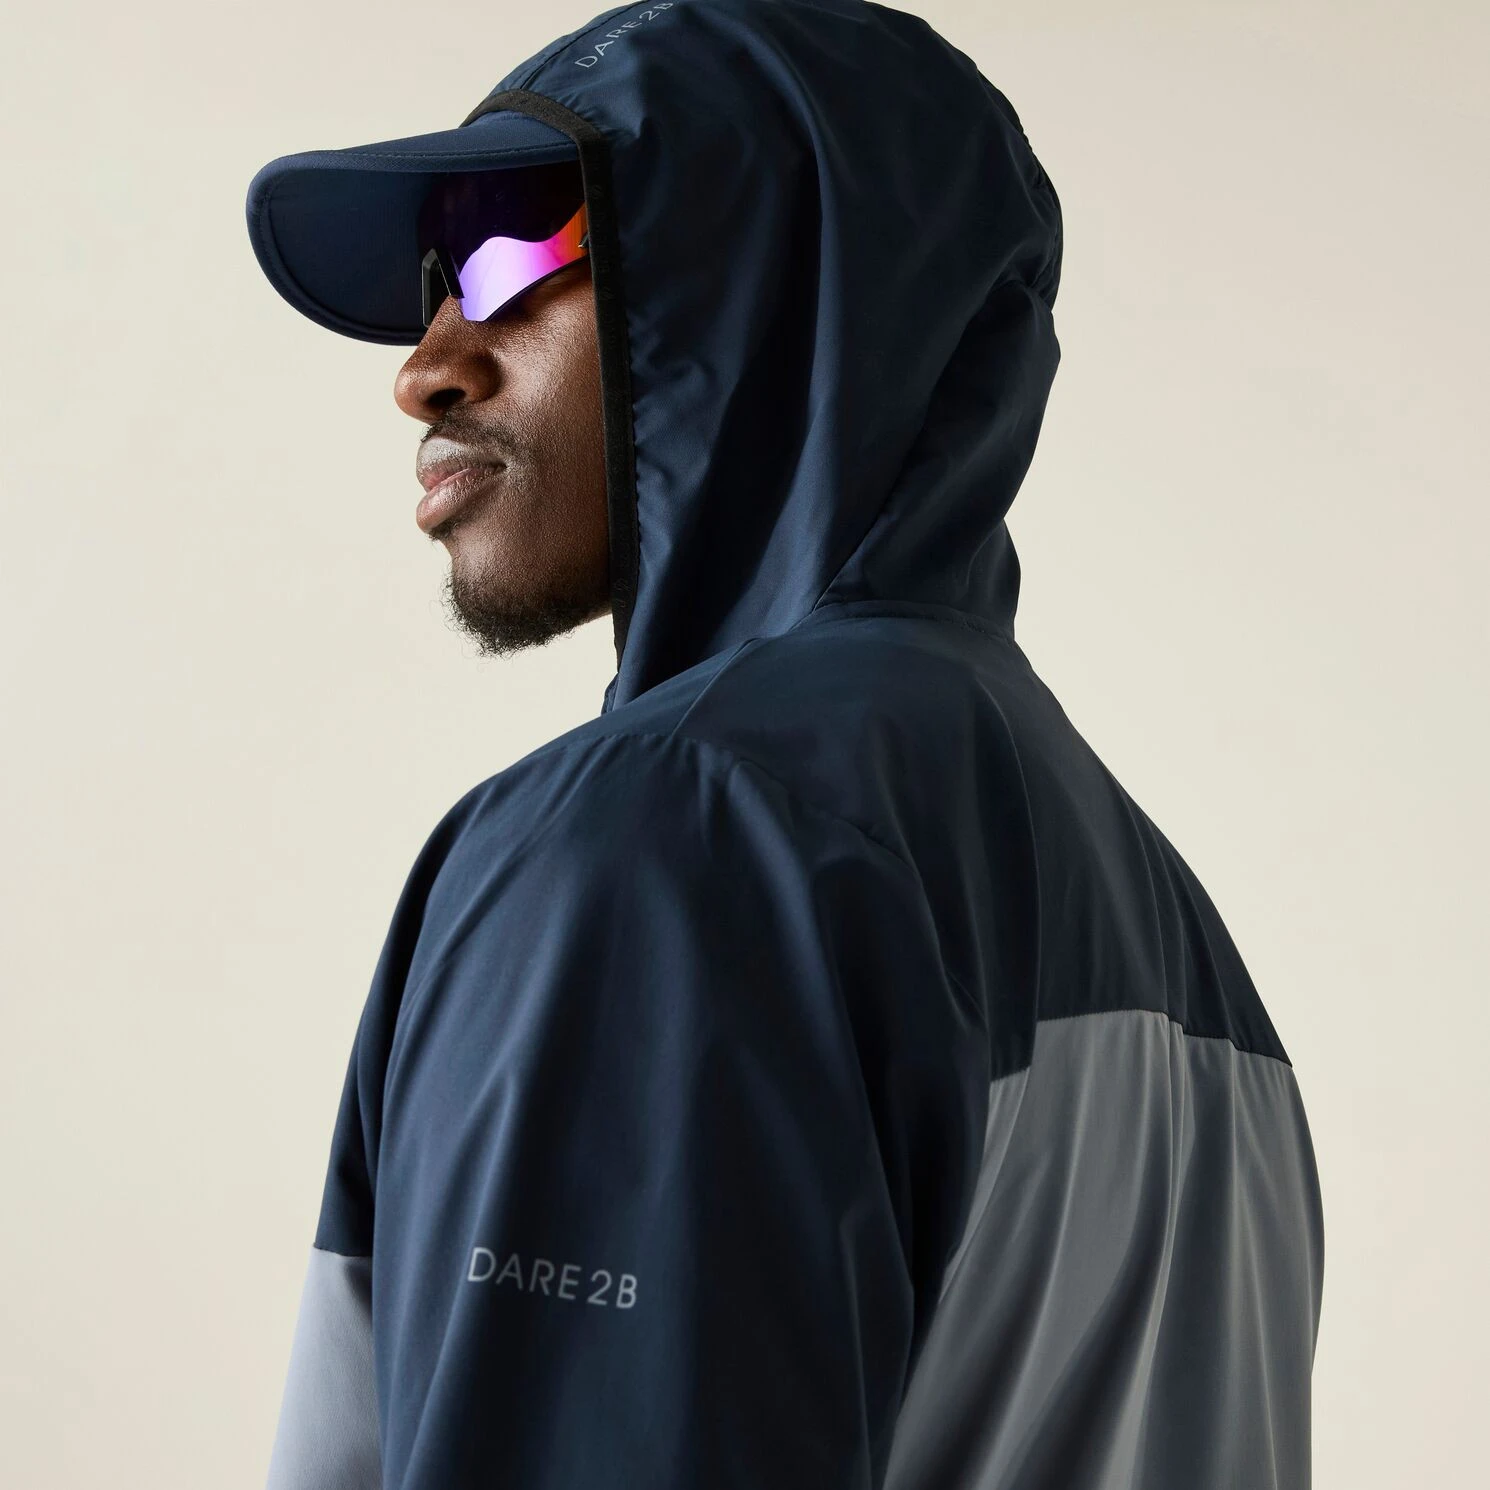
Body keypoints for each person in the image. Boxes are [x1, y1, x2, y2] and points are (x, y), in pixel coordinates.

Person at [246, 3, 1325, 1488]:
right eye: (437, 283)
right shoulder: (1180, 945)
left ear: (762, 281)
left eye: (505, 251)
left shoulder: (668, 841)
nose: (426, 367)